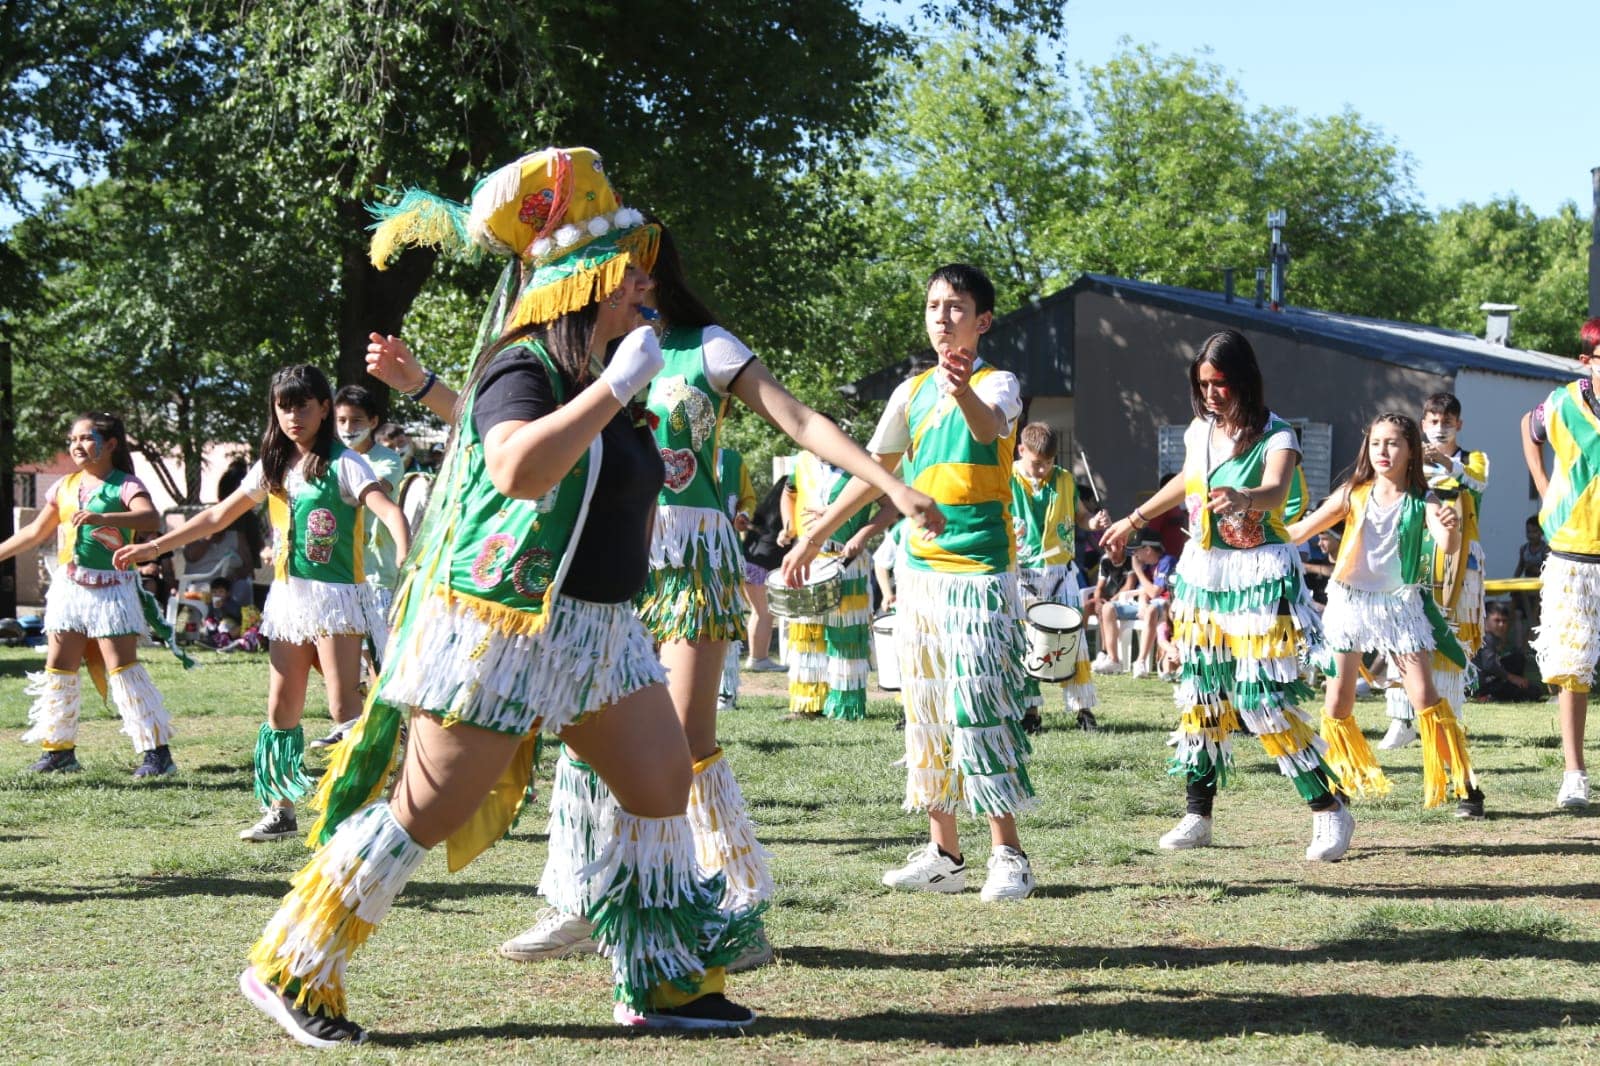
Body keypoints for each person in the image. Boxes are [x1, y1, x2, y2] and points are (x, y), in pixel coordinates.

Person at [234, 147, 762, 1043]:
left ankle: (661, 978)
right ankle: (292, 964)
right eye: (632, 274)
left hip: (599, 633)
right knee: (427, 809)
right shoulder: (520, 368)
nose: (648, 287)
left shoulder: (616, 378)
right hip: (502, 632)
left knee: (661, 780)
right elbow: (519, 468)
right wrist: (615, 385)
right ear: (587, 281)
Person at [782, 263, 1037, 902]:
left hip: (980, 570)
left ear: (982, 321)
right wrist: (818, 533)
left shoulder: (998, 382)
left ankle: (1008, 855)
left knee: (978, 706)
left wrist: (962, 391)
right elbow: (873, 471)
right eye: (933, 306)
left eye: (955, 307)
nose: (942, 317)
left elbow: (988, 428)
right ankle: (943, 852)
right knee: (924, 711)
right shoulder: (910, 391)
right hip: (920, 575)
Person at [116, 365, 411, 842]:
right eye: (284, 406)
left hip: (338, 600)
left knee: (343, 706)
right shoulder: (273, 464)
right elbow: (217, 515)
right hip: (289, 600)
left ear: (323, 408)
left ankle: (361, 811)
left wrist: (402, 546)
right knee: (281, 708)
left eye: (304, 406)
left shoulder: (345, 462)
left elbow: (386, 508)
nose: (294, 415)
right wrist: (154, 548)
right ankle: (281, 810)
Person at [1102, 329, 1351, 860]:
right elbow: (1187, 483)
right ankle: (1198, 814)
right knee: (1202, 700)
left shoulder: (1277, 434)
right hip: (1204, 574)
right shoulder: (1200, 430)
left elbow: (1279, 490)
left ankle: (1328, 808)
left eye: (1220, 384)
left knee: (1261, 702)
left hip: (1261, 575)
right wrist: (1132, 519)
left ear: (1244, 381)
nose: (1212, 394)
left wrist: (1245, 497)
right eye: (1203, 385)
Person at [1289, 412, 1483, 818]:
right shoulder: (1353, 493)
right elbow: (1302, 530)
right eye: (1376, 442)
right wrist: (1253, 533)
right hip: (1348, 603)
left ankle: (1465, 786)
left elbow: (1448, 546)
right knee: (1338, 702)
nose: (1383, 450)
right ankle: (1339, 781)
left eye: (1393, 442)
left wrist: (1450, 526)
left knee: (1425, 698)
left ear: (1411, 449)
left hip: (1400, 605)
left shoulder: (1424, 499)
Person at [0, 412, 180, 777]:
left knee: (122, 667)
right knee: (59, 667)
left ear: (110, 444)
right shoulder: (65, 486)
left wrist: (104, 519)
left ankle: (157, 753)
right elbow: (35, 533)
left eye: (86, 438)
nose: (77, 445)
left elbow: (150, 520)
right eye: (73, 440)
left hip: (112, 588)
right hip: (68, 588)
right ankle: (59, 750)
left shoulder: (125, 485)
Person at [1377, 392, 1489, 750]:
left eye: (1447, 421)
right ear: (1423, 424)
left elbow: (1478, 483)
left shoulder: (1475, 460)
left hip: (1458, 558)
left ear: (1460, 424)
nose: (1440, 428)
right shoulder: (1410, 460)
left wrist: (1446, 462)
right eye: (1433, 421)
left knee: (1452, 629)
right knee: (1403, 626)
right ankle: (1400, 717)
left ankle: (1447, 715)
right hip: (1412, 551)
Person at [1522, 316, 1600, 809]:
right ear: (1588, 361)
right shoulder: (1563, 402)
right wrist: (1545, 487)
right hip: (1574, 551)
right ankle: (1575, 772)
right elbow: (1528, 430)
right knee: (1571, 666)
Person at [1010, 421, 1109, 731]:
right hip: (1021, 571)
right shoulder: (1004, 477)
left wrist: (1093, 522)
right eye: (1037, 463)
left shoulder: (1064, 479)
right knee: (1025, 641)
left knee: (1073, 639)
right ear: (1021, 450)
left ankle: (1083, 709)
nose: (1043, 470)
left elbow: (1079, 515)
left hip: (1060, 569)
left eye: (1049, 463)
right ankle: (1030, 712)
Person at [779, 446, 887, 722]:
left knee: (845, 634)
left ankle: (845, 706)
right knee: (806, 633)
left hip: (844, 559)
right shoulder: (802, 462)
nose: (817, 449)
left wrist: (862, 535)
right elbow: (788, 494)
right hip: (808, 557)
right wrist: (788, 526)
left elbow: (891, 506)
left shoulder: (858, 463)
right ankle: (806, 705)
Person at [715, 445, 758, 711]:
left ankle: (725, 691)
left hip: (726, 551)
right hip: (680, 552)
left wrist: (743, 515)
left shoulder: (731, 459)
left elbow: (748, 499)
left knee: (726, 616)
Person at [739, 475, 789, 670]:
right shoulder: (784, 517)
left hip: (749, 562)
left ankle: (757, 657)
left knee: (758, 613)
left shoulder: (765, 511)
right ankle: (758, 659)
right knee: (764, 613)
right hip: (761, 567)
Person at [1474, 601, 1541, 702]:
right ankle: (1486, 695)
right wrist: (1512, 678)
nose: (1501, 625)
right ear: (1485, 621)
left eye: (1504, 621)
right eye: (1497, 620)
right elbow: (1489, 664)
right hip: (1483, 684)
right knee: (1531, 692)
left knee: (1517, 659)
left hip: (1492, 680)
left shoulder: (1492, 638)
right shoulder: (1486, 638)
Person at [1088, 537, 1137, 674]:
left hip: (1125, 600)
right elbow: (1099, 587)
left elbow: (1130, 585)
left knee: (1105, 610)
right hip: (1109, 598)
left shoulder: (1130, 559)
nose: (1110, 552)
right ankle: (1086, 652)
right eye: (1107, 549)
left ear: (1121, 546)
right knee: (1089, 606)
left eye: (1112, 548)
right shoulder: (1105, 560)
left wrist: (1111, 600)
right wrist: (1097, 599)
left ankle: (1107, 654)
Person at [1513, 514, 1547, 630]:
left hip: (1540, 588)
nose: (1531, 535)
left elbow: (1549, 571)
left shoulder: (1545, 550)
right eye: (1528, 532)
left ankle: (1530, 633)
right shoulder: (1524, 549)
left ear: (1542, 533)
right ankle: (1517, 646)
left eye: (1534, 532)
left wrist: (1535, 569)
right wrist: (1513, 583)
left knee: (1535, 613)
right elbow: (1520, 567)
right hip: (1526, 588)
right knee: (1517, 613)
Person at [201, 576, 244, 648]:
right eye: (214, 592)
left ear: (227, 593)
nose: (217, 594)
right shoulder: (212, 603)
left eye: (221, 591)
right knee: (208, 623)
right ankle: (212, 637)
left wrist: (224, 606)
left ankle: (223, 640)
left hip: (232, 624)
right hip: (218, 623)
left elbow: (237, 614)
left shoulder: (231, 603)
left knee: (224, 624)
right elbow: (210, 615)